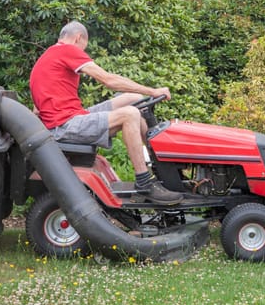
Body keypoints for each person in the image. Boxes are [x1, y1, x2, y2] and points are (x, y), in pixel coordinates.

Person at [29, 21, 183, 205]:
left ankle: (162, 167)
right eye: (83, 46)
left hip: (69, 118)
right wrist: (153, 91)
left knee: (131, 98)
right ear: (78, 38)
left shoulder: (48, 56)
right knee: (130, 114)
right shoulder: (67, 50)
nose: (83, 51)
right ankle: (145, 182)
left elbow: (37, 108)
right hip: (65, 125)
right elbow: (108, 80)